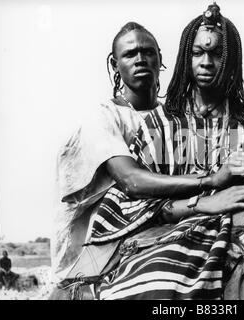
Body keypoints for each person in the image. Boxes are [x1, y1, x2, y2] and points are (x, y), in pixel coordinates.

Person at [82, 3, 244, 300]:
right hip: (165, 237)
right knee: (158, 281)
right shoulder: (160, 124)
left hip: (238, 235)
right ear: (185, 57)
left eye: (217, 54)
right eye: (198, 53)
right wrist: (206, 202)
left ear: (232, 60)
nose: (206, 62)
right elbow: (142, 201)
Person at [51, 22, 164, 290]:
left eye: (148, 52)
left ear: (160, 57)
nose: (140, 59)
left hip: (155, 231)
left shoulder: (173, 118)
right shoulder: (102, 117)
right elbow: (132, 181)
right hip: (94, 249)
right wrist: (209, 181)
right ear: (115, 64)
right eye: (130, 54)